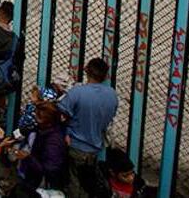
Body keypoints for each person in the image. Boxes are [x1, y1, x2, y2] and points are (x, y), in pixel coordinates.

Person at [58, 57, 118, 198]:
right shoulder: (112, 95)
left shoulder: (77, 92)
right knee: (87, 184)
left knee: (73, 182)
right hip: (95, 147)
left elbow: (61, 114)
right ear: (105, 75)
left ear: (86, 71)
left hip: (75, 144)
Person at [13, 101, 67, 191]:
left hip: (42, 184)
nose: (34, 116)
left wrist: (28, 158)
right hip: (32, 176)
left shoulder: (53, 143)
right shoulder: (43, 129)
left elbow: (50, 170)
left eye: (38, 117)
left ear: (47, 121)